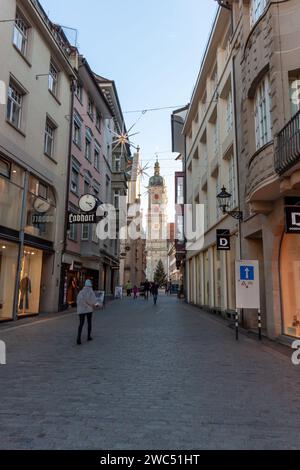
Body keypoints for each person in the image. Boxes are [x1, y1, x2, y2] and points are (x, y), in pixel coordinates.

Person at [76, 279, 99, 345]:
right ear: (90, 285)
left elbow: (78, 301)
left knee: (81, 324)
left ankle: (78, 338)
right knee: (89, 323)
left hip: (81, 310)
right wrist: (96, 305)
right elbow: (94, 300)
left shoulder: (81, 292)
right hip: (89, 310)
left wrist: (82, 307)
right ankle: (88, 336)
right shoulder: (91, 291)